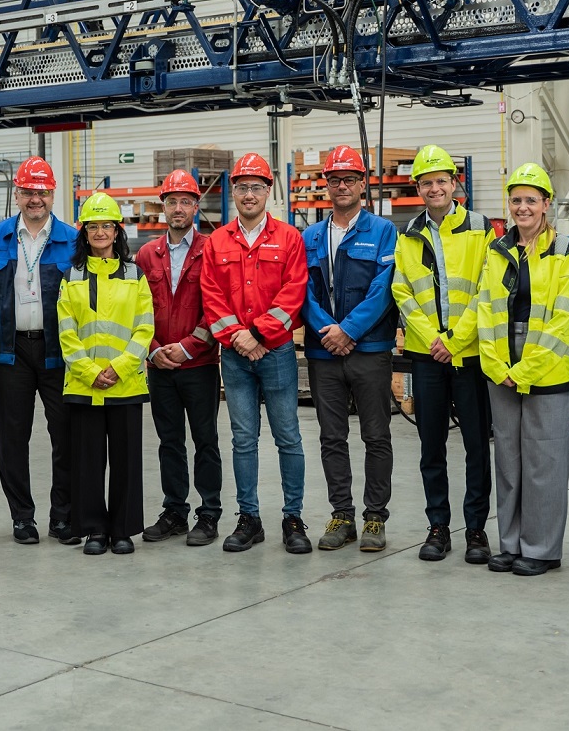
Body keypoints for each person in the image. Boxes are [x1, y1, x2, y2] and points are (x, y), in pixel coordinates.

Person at [473, 163, 569, 577]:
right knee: (509, 460)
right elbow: (485, 309)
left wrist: (524, 371)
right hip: (501, 366)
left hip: (546, 368)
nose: (523, 207)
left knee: (544, 462)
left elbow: (564, 317)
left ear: (546, 204)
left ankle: (542, 549)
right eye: (516, 200)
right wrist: (496, 365)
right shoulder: (498, 250)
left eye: (531, 200)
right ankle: (511, 543)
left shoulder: (564, 251)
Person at [202, 152, 312, 554]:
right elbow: (211, 296)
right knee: (243, 439)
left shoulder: (289, 238)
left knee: (288, 437)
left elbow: (293, 293)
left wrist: (258, 335)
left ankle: (292, 517)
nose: (249, 194)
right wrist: (238, 338)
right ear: (233, 192)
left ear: (268, 191)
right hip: (235, 356)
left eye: (256, 187)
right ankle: (249, 518)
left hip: (276, 352)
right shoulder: (217, 241)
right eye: (242, 187)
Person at [392, 144, 495, 564]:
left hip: (469, 356)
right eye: (426, 182)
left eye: (441, 181)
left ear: (454, 184)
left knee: (476, 446)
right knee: (431, 446)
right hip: (426, 356)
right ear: (417, 188)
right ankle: (438, 526)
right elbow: (402, 291)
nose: (434, 188)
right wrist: (434, 338)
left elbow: (488, 290)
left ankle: (476, 529)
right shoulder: (408, 234)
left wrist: (454, 340)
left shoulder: (481, 228)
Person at [301, 144, 398, 552]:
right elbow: (302, 292)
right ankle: (342, 515)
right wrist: (329, 331)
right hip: (324, 352)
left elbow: (384, 289)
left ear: (362, 185)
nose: (342, 186)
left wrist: (349, 331)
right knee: (332, 437)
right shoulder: (310, 236)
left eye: (350, 179)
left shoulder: (383, 231)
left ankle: (375, 518)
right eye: (335, 179)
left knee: (376, 436)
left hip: (370, 349)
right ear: (326, 185)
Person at [0, 156, 79, 546]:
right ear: (16, 194)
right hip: (10, 351)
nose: (35, 199)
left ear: (52, 194)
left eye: (42, 192)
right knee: (13, 437)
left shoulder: (73, 240)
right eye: (27, 192)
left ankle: (63, 517)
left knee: (66, 436)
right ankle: (22, 517)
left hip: (59, 351)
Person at [57, 193, 157, 555]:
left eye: (107, 226)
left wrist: (119, 368)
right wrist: (89, 371)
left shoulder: (135, 275)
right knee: (88, 461)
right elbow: (66, 332)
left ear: (117, 231)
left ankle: (122, 530)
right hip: (85, 385)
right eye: (93, 226)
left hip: (125, 384)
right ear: (84, 233)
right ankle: (94, 530)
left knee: (126, 461)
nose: (100, 232)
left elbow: (144, 328)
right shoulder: (71, 277)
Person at [136, 170, 222, 547]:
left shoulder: (212, 249)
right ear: (163, 207)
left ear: (196, 207)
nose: (178, 208)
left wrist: (188, 346)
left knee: (205, 441)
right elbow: (136, 310)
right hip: (159, 366)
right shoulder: (146, 254)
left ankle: (209, 513)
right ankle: (174, 511)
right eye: (172, 201)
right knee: (169, 441)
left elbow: (217, 308)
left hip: (199, 365)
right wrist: (154, 349)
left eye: (185, 201)